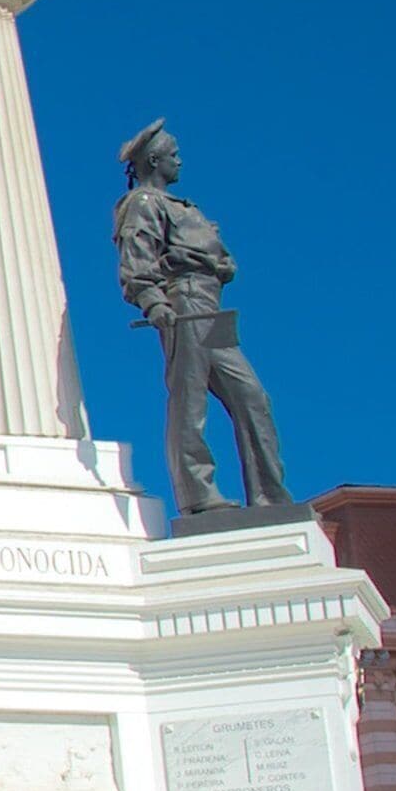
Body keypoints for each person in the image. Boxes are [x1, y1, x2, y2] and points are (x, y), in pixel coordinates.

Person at [112, 120, 287, 514]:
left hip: (211, 304)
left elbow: (221, 260)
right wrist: (153, 301)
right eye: (174, 155)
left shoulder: (182, 207)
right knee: (190, 401)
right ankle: (198, 494)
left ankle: (268, 496)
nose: (180, 161)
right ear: (154, 160)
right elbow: (136, 259)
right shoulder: (143, 203)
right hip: (185, 305)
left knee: (253, 398)